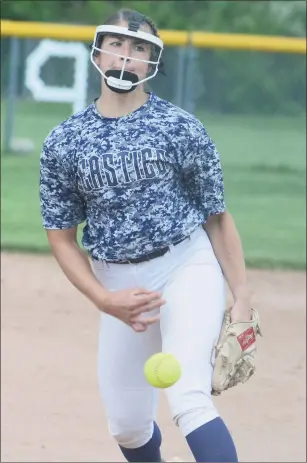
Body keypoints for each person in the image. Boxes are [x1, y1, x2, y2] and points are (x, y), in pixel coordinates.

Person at [40, 8, 253, 463]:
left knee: (189, 398)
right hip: (116, 283)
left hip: (185, 265)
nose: (126, 56)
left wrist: (241, 297)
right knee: (127, 427)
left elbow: (216, 216)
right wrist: (103, 299)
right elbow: (61, 236)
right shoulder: (65, 141)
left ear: (151, 61)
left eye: (140, 48)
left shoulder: (180, 127)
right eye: (117, 44)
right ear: (98, 52)